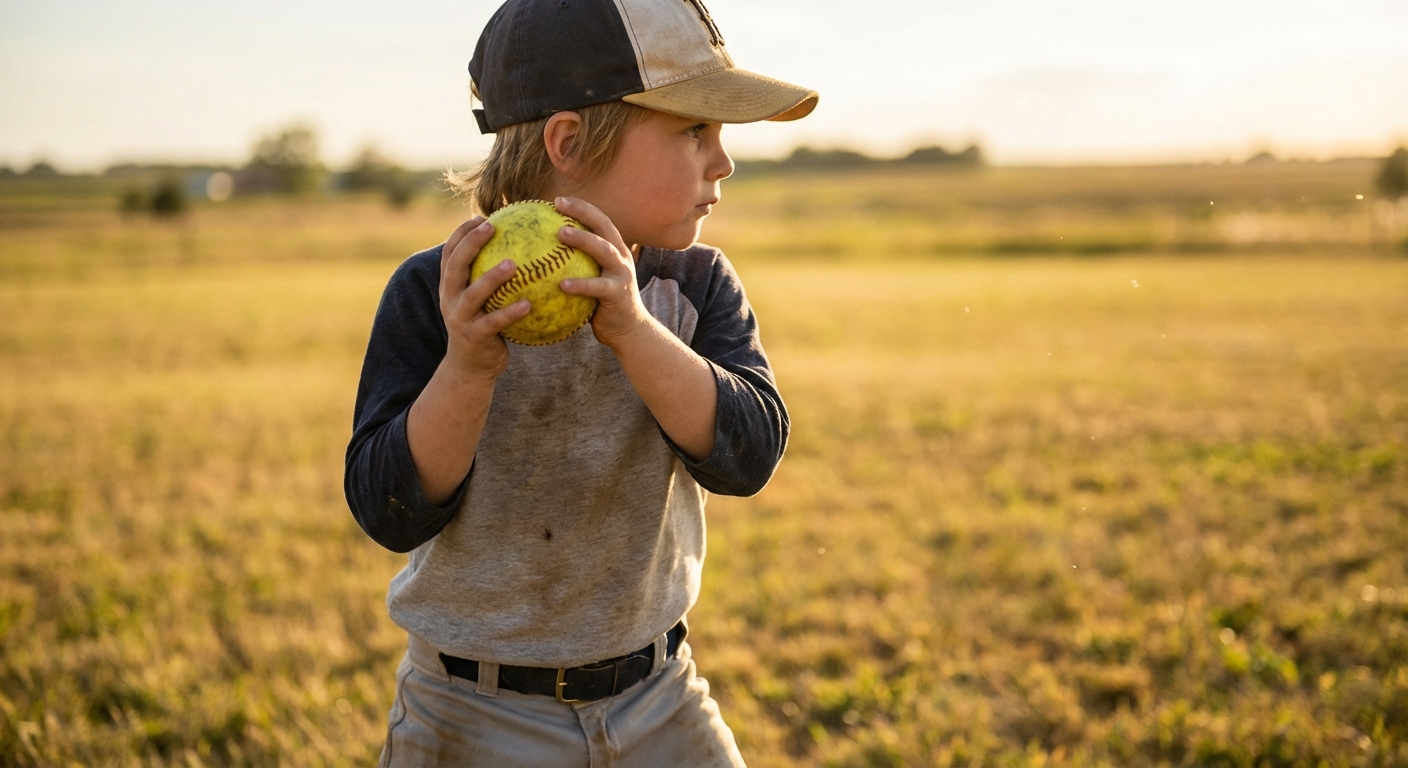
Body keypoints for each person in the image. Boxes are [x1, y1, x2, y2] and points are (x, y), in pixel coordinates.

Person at [344, 0, 816, 764]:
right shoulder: (435, 292)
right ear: (568, 142)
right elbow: (388, 508)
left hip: (657, 690)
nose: (722, 160)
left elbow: (748, 454)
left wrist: (632, 330)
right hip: (470, 708)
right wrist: (466, 370)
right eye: (694, 129)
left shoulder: (690, 286)